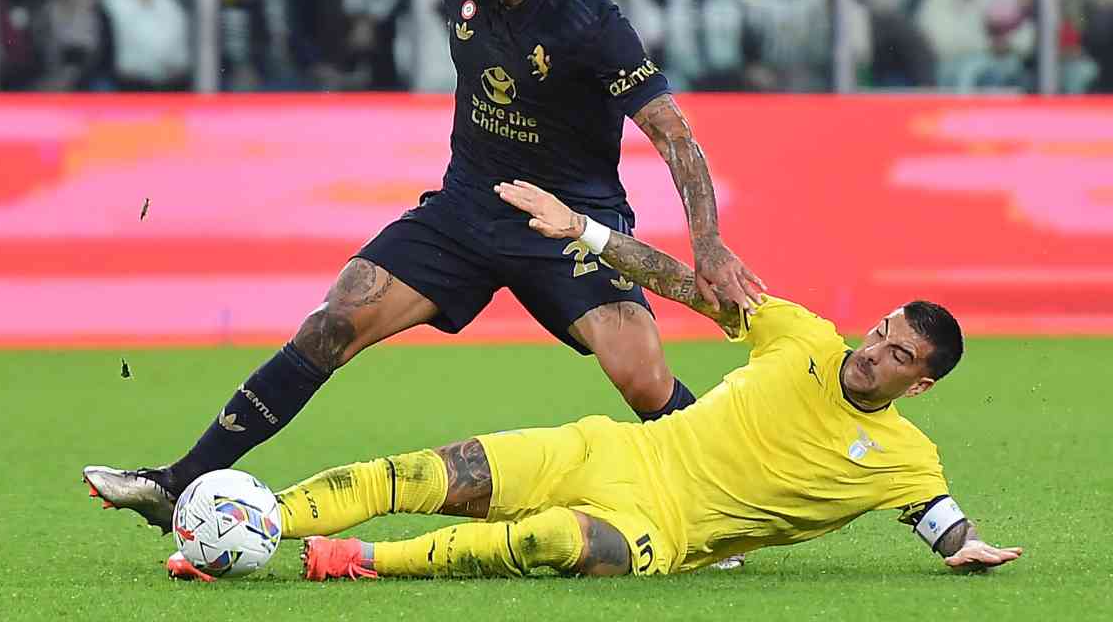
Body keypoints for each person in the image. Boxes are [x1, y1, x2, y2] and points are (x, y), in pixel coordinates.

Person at [84, 0, 763, 531]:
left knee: (642, 380)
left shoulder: (589, 20)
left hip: (565, 219)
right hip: (467, 208)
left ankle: (720, 510)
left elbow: (674, 134)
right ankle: (180, 483)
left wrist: (708, 243)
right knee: (332, 323)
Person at [167, 179, 1023, 583]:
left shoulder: (904, 457)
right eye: (883, 331)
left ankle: (359, 562)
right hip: (612, 451)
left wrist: (966, 550)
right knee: (438, 472)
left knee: (555, 546)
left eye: (899, 356)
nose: (874, 352)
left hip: (664, 528)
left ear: (919, 386)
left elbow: (937, 516)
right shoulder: (796, 333)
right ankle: (241, 527)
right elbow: (683, 282)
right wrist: (585, 229)